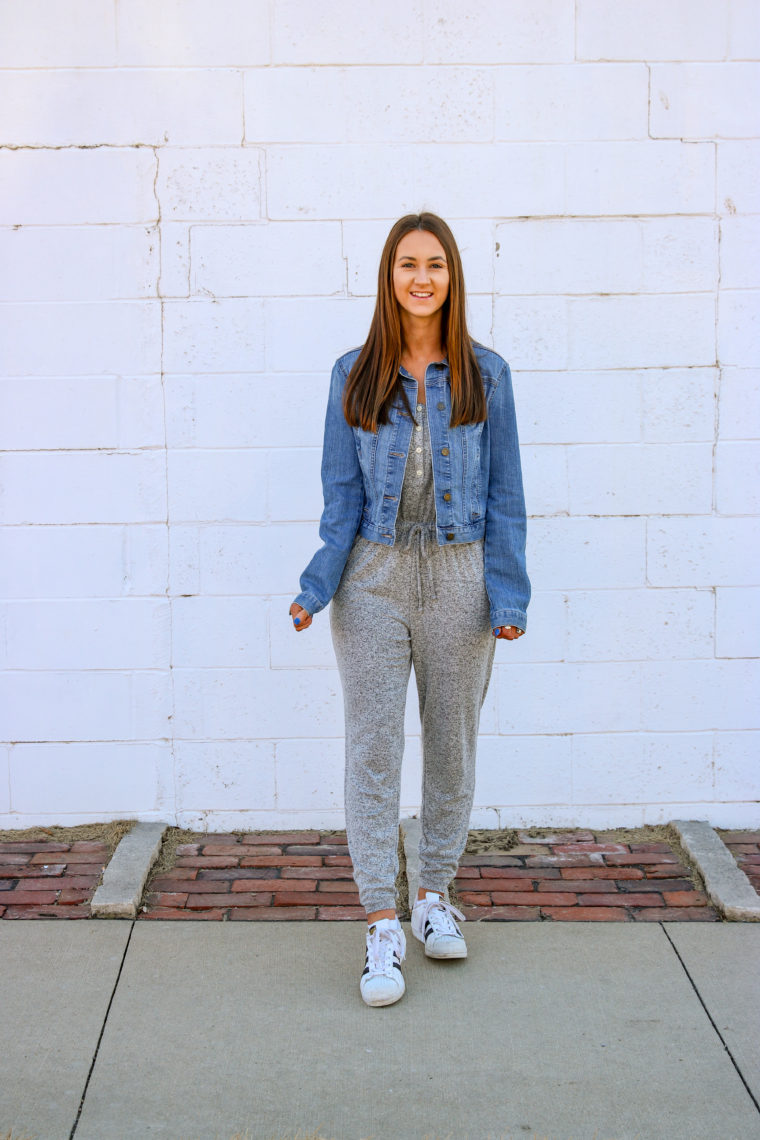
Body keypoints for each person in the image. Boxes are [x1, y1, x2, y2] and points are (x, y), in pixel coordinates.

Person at [289, 212, 530, 1008]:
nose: (421, 277)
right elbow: (340, 498)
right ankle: (380, 923)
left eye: (435, 264)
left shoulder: (486, 374)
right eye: (406, 265)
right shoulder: (353, 373)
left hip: (462, 578)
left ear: (453, 276)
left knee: (453, 746)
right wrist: (318, 584)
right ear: (388, 277)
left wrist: (508, 592)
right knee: (373, 748)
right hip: (374, 578)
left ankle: (433, 899)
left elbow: (505, 497)